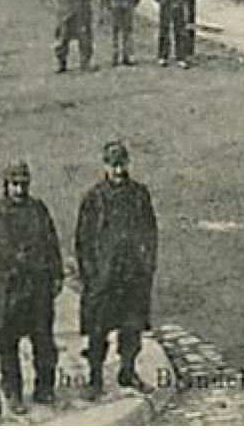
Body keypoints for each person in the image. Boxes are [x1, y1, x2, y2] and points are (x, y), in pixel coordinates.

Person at [0, 162, 63, 415]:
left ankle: (45, 387)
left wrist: (57, 275)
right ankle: (12, 391)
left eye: (23, 184)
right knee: (8, 344)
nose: (19, 189)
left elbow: (51, 243)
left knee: (43, 340)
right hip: (10, 290)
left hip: (38, 288)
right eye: (15, 184)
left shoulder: (38, 210)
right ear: (6, 185)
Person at [75, 140, 158, 401]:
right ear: (105, 166)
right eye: (113, 165)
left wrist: (147, 266)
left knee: (132, 327)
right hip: (104, 278)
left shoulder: (139, 195)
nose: (119, 171)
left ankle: (128, 371)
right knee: (98, 330)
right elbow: (83, 240)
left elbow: (150, 232)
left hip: (132, 276)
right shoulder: (95, 198)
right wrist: (91, 274)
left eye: (122, 164)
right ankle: (95, 378)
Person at [105, 0, 142, 67]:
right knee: (115, 33)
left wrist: (131, 4)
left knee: (127, 33)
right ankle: (115, 56)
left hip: (127, 8)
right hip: (115, 8)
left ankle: (127, 57)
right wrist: (110, 5)